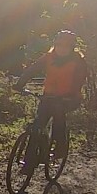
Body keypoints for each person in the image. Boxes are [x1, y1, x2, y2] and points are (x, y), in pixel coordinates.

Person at [12, 30, 88, 170]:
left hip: (69, 99)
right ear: (55, 45)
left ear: (72, 48)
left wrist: (70, 95)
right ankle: (30, 161)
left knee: (58, 113)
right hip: (49, 96)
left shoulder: (78, 62)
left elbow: (79, 81)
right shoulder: (48, 57)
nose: (62, 49)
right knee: (38, 125)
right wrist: (20, 84)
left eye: (66, 46)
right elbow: (32, 70)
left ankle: (60, 147)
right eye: (59, 45)